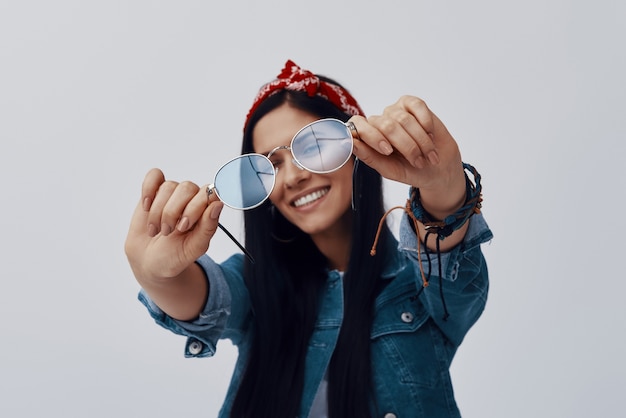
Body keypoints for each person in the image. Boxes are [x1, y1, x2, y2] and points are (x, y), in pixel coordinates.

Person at [125, 60, 493, 418]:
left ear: (359, 149)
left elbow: (448, 266)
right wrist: (157, 274)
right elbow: (203, 296)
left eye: (312, 146)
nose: (291, 178)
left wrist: (443, 189)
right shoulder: (257, 284)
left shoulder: (417, 283)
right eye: (268, 165)